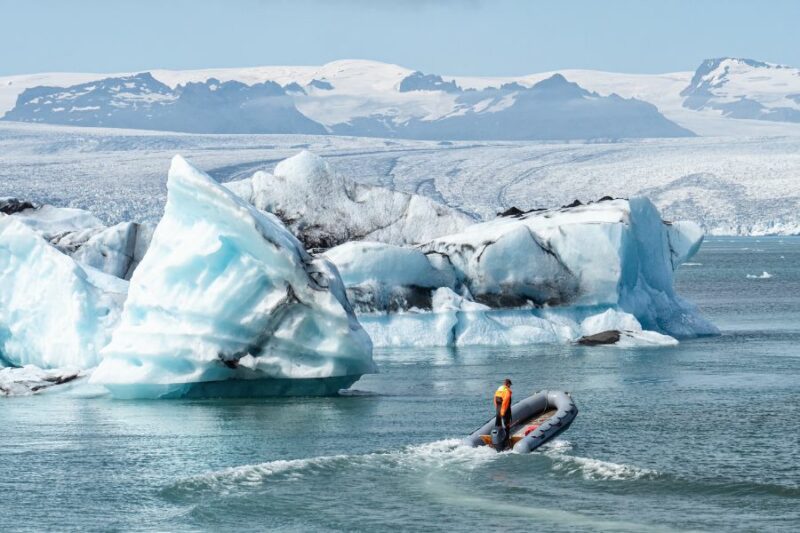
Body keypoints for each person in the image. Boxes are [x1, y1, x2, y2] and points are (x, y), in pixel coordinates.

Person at [494, 378, 513, 443]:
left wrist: (497, 407)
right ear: (508, 384)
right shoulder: (507, 391)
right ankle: (506, 438)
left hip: (498, 408)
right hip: (505, 409)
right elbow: (506, 401)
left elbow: (495, 398)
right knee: (506, 423)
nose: (510, 386)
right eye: (510, 385)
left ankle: (496, 437)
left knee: (498, 422)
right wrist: (503, 411)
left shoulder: (499, 389)